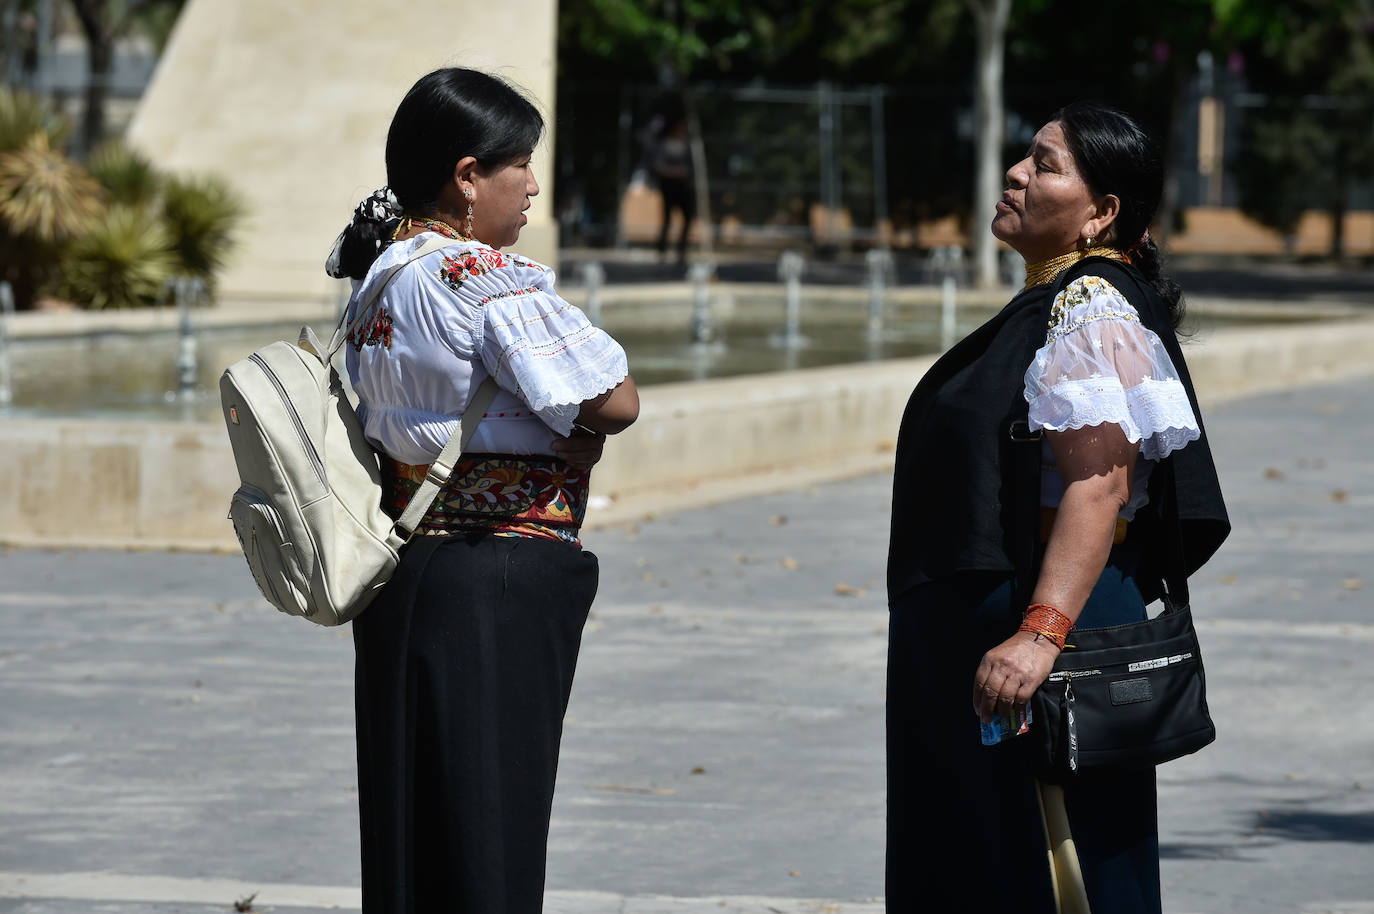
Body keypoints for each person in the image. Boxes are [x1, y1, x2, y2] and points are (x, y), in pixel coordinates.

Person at [885, 102, 1230, 912]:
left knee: (1046, 873)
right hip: (996, 640)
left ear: (1103, 212)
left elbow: (1099, 485)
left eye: (1045, 164)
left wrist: (1038, 637)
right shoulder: (1058, 303)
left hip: (1040, 644)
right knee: (980, 860)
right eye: (1025, 157)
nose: (1017, 172)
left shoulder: (1091, 308)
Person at [324, 68, 639, 914]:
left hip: (404, 574)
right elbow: (616, 400)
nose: (533, 185)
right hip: (496, 573)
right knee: (490, 831)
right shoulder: (478, 273)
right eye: (520, 164)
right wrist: (574, 434)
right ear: (468, 177)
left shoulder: (380, 274)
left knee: (409, 830)